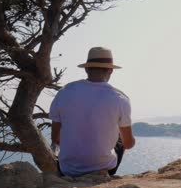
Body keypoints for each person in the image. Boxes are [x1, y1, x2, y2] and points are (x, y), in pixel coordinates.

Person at [49, 47, 135, 177]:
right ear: (111, 70)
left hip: (67, 169)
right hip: (106, 169)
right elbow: (128, 144)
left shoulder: (64, 92)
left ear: (86, 69)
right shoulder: (120, 98)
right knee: (120, 138)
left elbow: (55, 138)